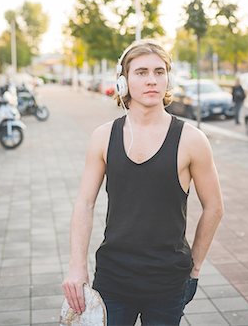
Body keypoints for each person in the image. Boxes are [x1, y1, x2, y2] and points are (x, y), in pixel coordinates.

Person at [62, 39, 224, 326]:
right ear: (123, 82)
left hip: (168, 281)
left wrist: (195, 268)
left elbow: (214, 207)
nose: (152, 80)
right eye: (141, 72)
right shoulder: (103, 137)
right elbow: (85, 203)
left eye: (159, 72)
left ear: (168, 79)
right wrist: (77, 267)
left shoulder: (191, 139)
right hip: (113, 277)